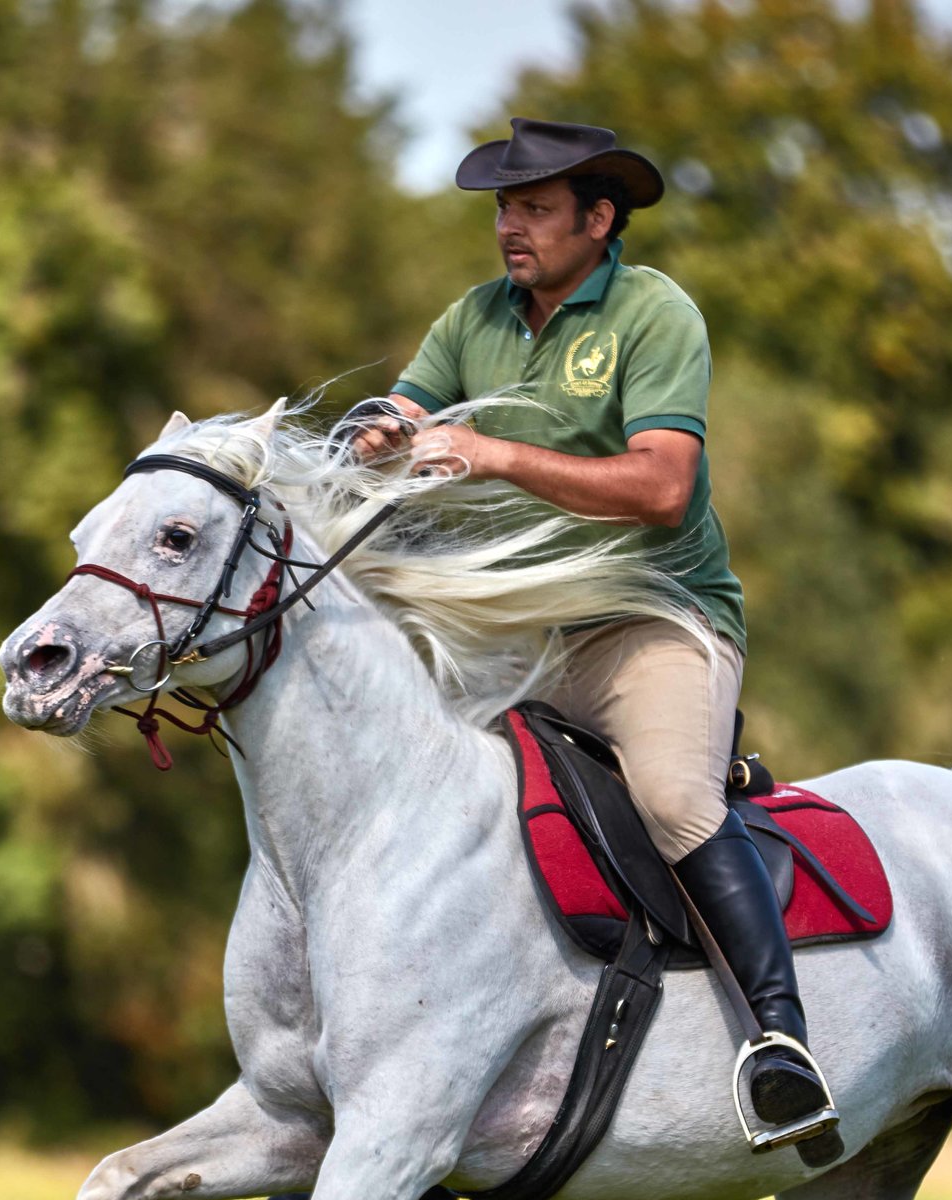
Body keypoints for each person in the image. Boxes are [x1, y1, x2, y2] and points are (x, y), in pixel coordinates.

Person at [343, 117, 832, 1143]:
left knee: (668, 793)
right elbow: (402, 405)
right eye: (500, 208)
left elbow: (661, 488)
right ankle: (399, 1097)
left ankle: (780, 1044)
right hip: (525, 631)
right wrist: (380, 427)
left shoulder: (655, 312)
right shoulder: (474, 314)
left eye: (531, 208)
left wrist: (491, 454)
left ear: (597, 219)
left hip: (656, 620)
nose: (507, 229)